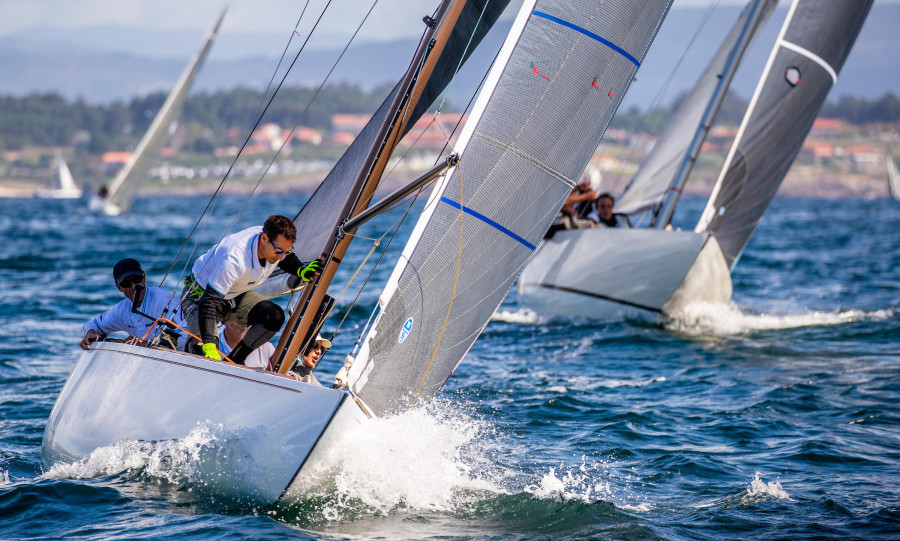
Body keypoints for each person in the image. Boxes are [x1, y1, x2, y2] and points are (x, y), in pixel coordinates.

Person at [182, 214, 321, 364]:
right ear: (264, 239)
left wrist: (301, 270)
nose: (281, 257)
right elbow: (209, 302)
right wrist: (209, 344)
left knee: (274, 316)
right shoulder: (235, 259)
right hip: (201, 297)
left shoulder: (275, 247)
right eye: (279, 252)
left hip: (233, 295)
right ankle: (202, 352)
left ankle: (235, 361)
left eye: (286, 251)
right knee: (204, 354)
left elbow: (286, 259)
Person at [81, 258, 186, 350]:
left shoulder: (163, 300)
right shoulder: (122, 310)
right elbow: (91, 324)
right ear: (118, 287)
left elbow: (185, 334)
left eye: (136, 280)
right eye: (126, 283)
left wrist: (146, 345)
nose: (133, 287)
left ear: (144, 277)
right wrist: (90, 332)